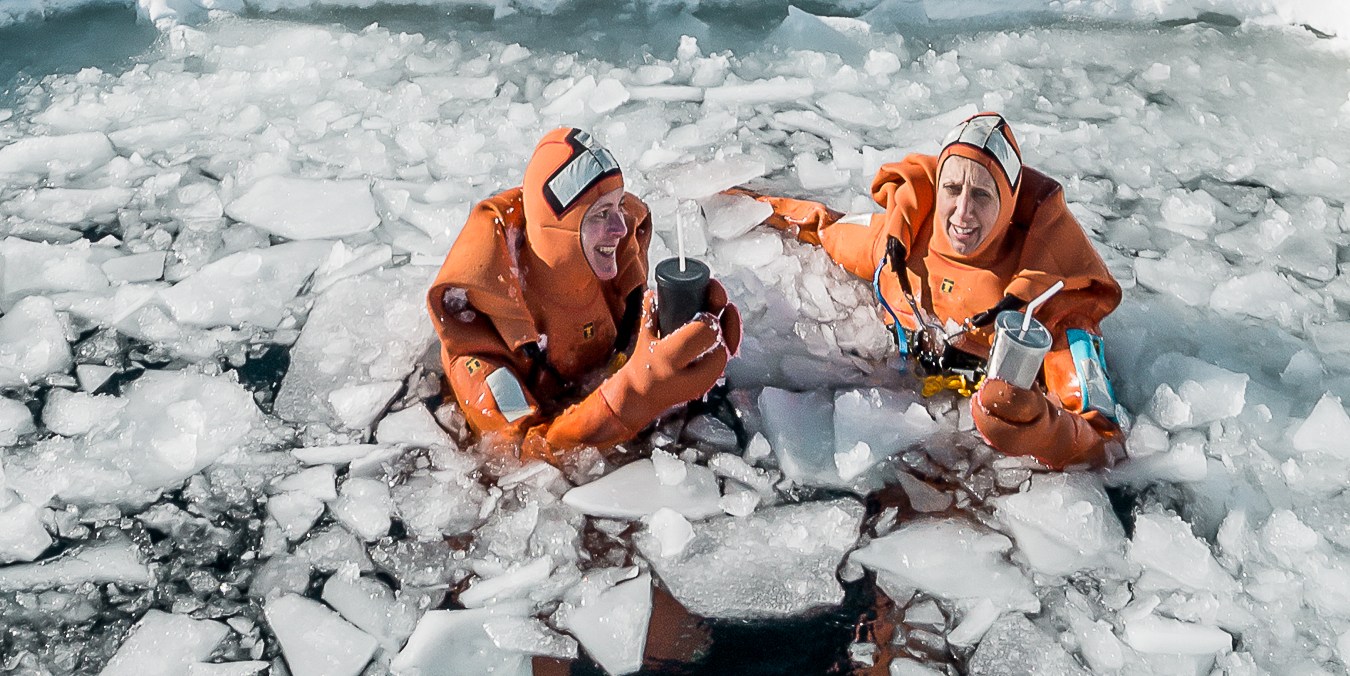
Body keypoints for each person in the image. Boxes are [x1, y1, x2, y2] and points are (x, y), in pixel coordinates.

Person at [762, 108, 1122, 468]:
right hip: (883, 420)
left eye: (981, 194)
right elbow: (821, 225)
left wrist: (1041, 429)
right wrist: (740, 206)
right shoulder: (898, 245)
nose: (962, 211)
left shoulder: (1050, 302)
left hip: (972, 456)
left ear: (1009, 204)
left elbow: (1104, 440)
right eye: (952, 189)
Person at [428, 127, 741, 453]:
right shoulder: (478, 335)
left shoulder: (617, 260)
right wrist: (634, 395)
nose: (620, 228)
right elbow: (522, 458)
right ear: (558, 232)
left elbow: (636, 350)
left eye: (618, 206)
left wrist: (678, 345)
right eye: (601, 215)